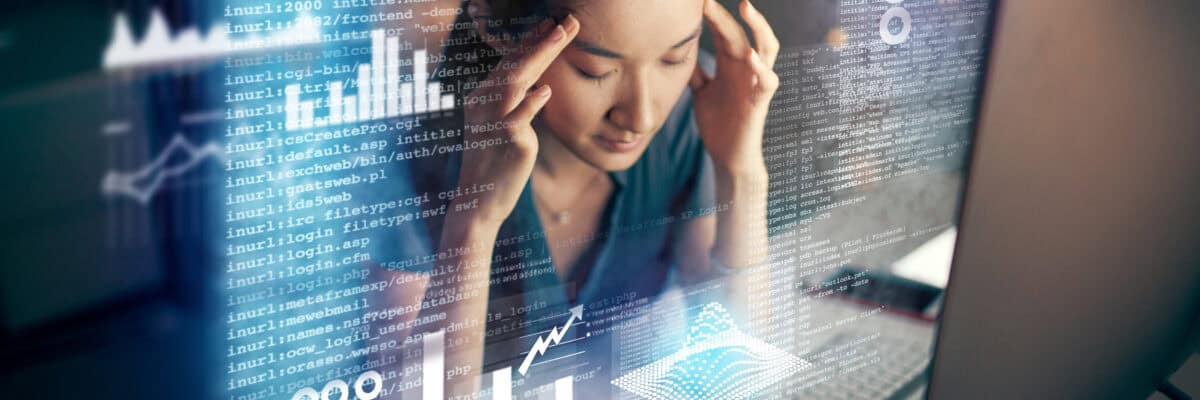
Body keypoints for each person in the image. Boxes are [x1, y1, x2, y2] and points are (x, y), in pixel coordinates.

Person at [385, 0, 782, 396]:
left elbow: (737, 357)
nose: (640, 117)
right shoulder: (408, 162)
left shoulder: (698, 106)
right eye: (595, 71)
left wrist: (741, 171)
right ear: (496, 27)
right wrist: (474, 222)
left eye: (674, 58)